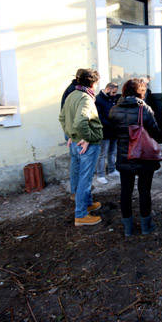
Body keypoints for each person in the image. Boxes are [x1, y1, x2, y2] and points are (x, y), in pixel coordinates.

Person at [109, 79, 161, 236]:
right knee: (144, 191)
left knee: (126, 191)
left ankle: (128, 229)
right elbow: (156, 131)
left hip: (124, 157)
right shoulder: (144, 109)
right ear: (140, 91)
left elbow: (112, 132)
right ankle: (146, 226)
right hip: (143, 157)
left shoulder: (114, 110)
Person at [59, 68, 104, 226]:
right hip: (86, 146)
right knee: (85, 179)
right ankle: (81, 215)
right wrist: (87, 137)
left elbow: (62, 117)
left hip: (75, 143)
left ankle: (87, 203)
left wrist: (71, 135)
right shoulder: (85, 98)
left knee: (81, 177)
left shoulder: (72, 95)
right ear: (93, 83)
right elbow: (80, 121)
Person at [95, 82, 121, 184]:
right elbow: (99, 117)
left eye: (116, 92)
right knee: (102, 154)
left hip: (114, 130)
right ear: (108, 89)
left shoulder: (112, 98)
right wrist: (111, 124)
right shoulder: (98, 99)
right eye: (113, 92)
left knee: (113, 152)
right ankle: (100, 175)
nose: (115, 94)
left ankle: (112, 170)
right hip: (104, 131)